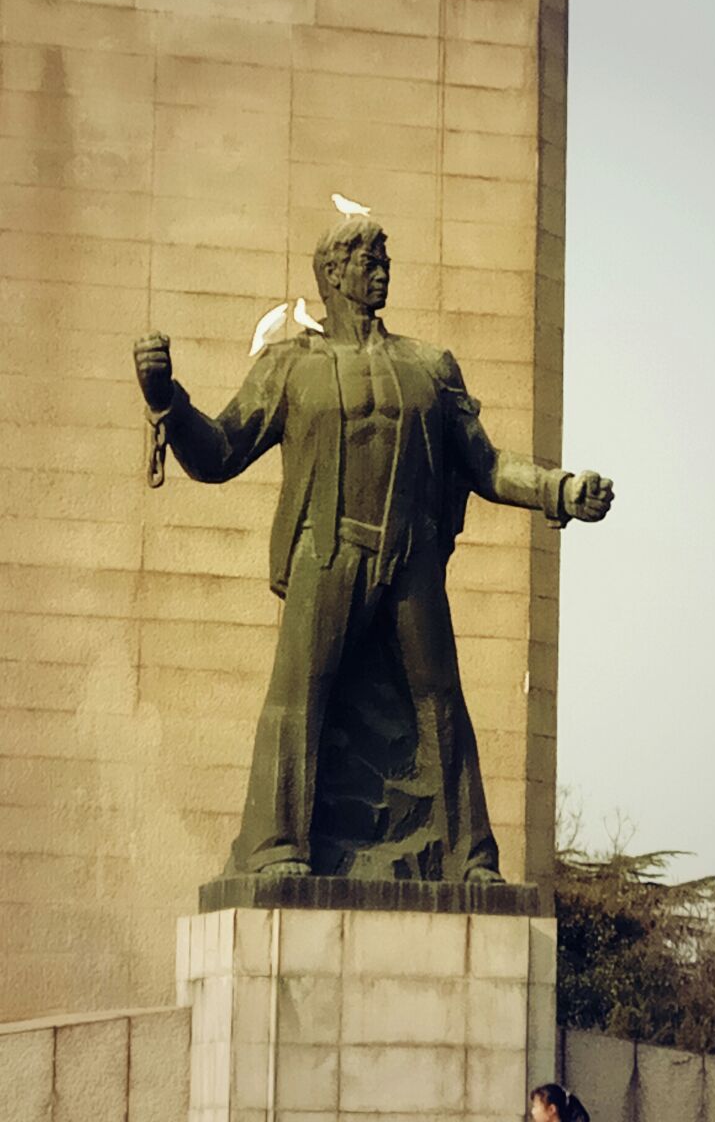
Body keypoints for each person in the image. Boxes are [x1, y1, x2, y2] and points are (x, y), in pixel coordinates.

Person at [133, 215, 614, 884]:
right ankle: (277, 847)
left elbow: (486, 464)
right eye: (368, 259)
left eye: (386, 258)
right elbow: (218, 452)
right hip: (327, 551)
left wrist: (560, 490)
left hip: (410, 556)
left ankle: (469, 858)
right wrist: (166, 400)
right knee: (299, 696)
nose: (382, 270)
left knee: (440, 701)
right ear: (332, 275)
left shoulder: (429, 368)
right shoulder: (290, 366)